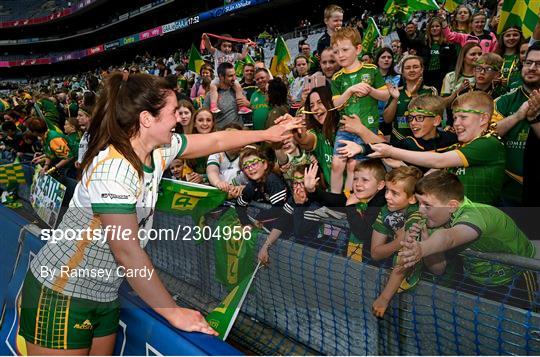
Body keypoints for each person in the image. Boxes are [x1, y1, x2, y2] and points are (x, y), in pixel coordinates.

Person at [19, 72, 301, 355]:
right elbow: (127, 250)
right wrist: (173, 311)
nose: (180, 118)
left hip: (104, 292)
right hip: (62, 292)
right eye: (172, 112)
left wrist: (267, 134)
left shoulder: (159, 149)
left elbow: (217, 141)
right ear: (146, 119)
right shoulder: (114, 168)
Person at [399, 170, 537, 310]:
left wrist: (423, 248)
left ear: (452, 206)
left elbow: (449, 238)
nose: (420, 211)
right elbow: (438, 269)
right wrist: (426, 242)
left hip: (513, 279)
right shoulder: (435, 219)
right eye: (419, 203)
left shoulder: (474, 214)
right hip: (475, 279)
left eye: (427, 205)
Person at [369, 91, 506, 206]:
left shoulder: (489, 144)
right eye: (455, 118)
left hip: (479, 220)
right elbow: (426, 181)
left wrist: (391, 151)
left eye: (463, 117)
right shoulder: (458, 146)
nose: (457, 123)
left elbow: (439, 161)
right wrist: (404, 166)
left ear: (483, 119)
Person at [330, 26, 390, 193]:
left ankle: (351, 199)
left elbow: (385, 95)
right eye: (336, 52)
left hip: (367, 127)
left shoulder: (371, 70)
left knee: (355, 166)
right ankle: (334, 199)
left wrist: (371, 90)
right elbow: (336, 105)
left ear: (358, 49)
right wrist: (349, 91)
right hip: (345, 128)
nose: (340, 55)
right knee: (337, 164)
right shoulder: (337, 78)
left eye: (344, 49)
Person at [369, 166, 425, 317]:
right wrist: (399, 241)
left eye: (394, 193)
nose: (387, 196)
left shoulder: (418, 215)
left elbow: (405, 260)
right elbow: (375, 253)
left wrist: (384, 298)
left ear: (412, 198)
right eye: (387, 190)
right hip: (396, 282)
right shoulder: (386, 210)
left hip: (428, 282)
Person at [304, 160, 386, 262]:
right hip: (353, 259)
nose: (358, 184)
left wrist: (350, 207)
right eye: (355, 179)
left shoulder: (382, 205)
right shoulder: (354, 196)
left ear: (380, 185)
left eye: (365, 180)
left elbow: (362, 233)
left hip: (374, 265)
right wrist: (312, 190)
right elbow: (332, 200)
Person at [492, 42, 540, 206]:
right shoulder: (504, 100)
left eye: (539, 64)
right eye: (528, 62)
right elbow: (488, 134)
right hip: (508, 191)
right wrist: (518, 116)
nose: (532, 68)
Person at [383, 55, 438, 145]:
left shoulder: (430, 91)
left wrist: (414, 95)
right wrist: (396, 98)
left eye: (415, 67)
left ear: (422, 70)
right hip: (399, 141)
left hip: (424, 142)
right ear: (403, 72)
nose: (411, 70)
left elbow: (433, 117)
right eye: (407, 68)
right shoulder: (396, 91)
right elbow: (387, 119)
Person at [294, 87, 339, 188]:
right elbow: (305, 140)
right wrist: (294, 128)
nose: (315, 108)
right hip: (333, 196)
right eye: (311, 105)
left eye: (320, 102)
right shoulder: (317, 134)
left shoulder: (347, 127)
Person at [202, 33, 252, 115]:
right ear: (220, 45)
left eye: (229, 46)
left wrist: (247, 46)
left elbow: (243, 56)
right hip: (218, 78)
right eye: (224, 46)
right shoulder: (217, 52)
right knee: (212, 86)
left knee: (238, 87)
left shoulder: (234, 54)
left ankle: (242, 107)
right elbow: (209, 47)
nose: (227, 48)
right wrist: (206, 38)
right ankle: (213, 106)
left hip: (231, 78)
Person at [206, 123, 248, 198]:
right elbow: (211, 170)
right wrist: (218, 182)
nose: (231, 141)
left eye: (235, 138)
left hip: (242, 194)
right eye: (227, 137)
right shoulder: (216, 153)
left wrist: (244, 187)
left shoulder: (247, 153)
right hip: (219, 193)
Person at [203, 62, 246, 129]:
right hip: (220, 134)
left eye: (235, 75)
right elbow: (205, 115)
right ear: (221, 76)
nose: (234, 78)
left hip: (238, 133)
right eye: (230, 76)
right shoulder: (210, 95)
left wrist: (248, 104)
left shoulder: (239, 91)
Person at [423, 17, 457, 88]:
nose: (434, 28)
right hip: (427, 76)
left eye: (437, 26)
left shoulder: (449, 44)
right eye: (432, 27)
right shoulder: (424, 43)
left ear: (442, 28)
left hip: (443, 77)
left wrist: (449, 75)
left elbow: (453, 61)